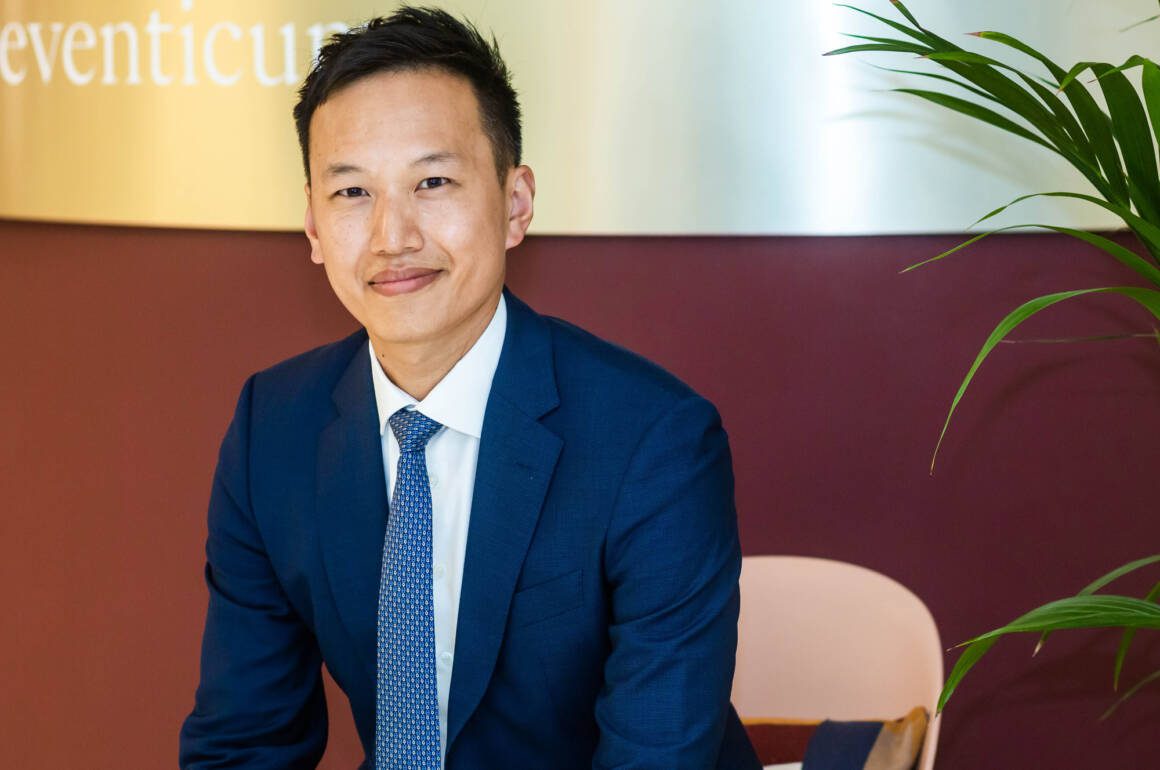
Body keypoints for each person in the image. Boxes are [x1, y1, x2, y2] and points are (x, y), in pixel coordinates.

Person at [179, 7, 760, 769]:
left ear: (515, 204)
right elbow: (244, 743)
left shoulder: (653, 440)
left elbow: (656, 756)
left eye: (433, 181)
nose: (393, 237)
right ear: (314, 227)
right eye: (352, 193)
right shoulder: (274, 427)